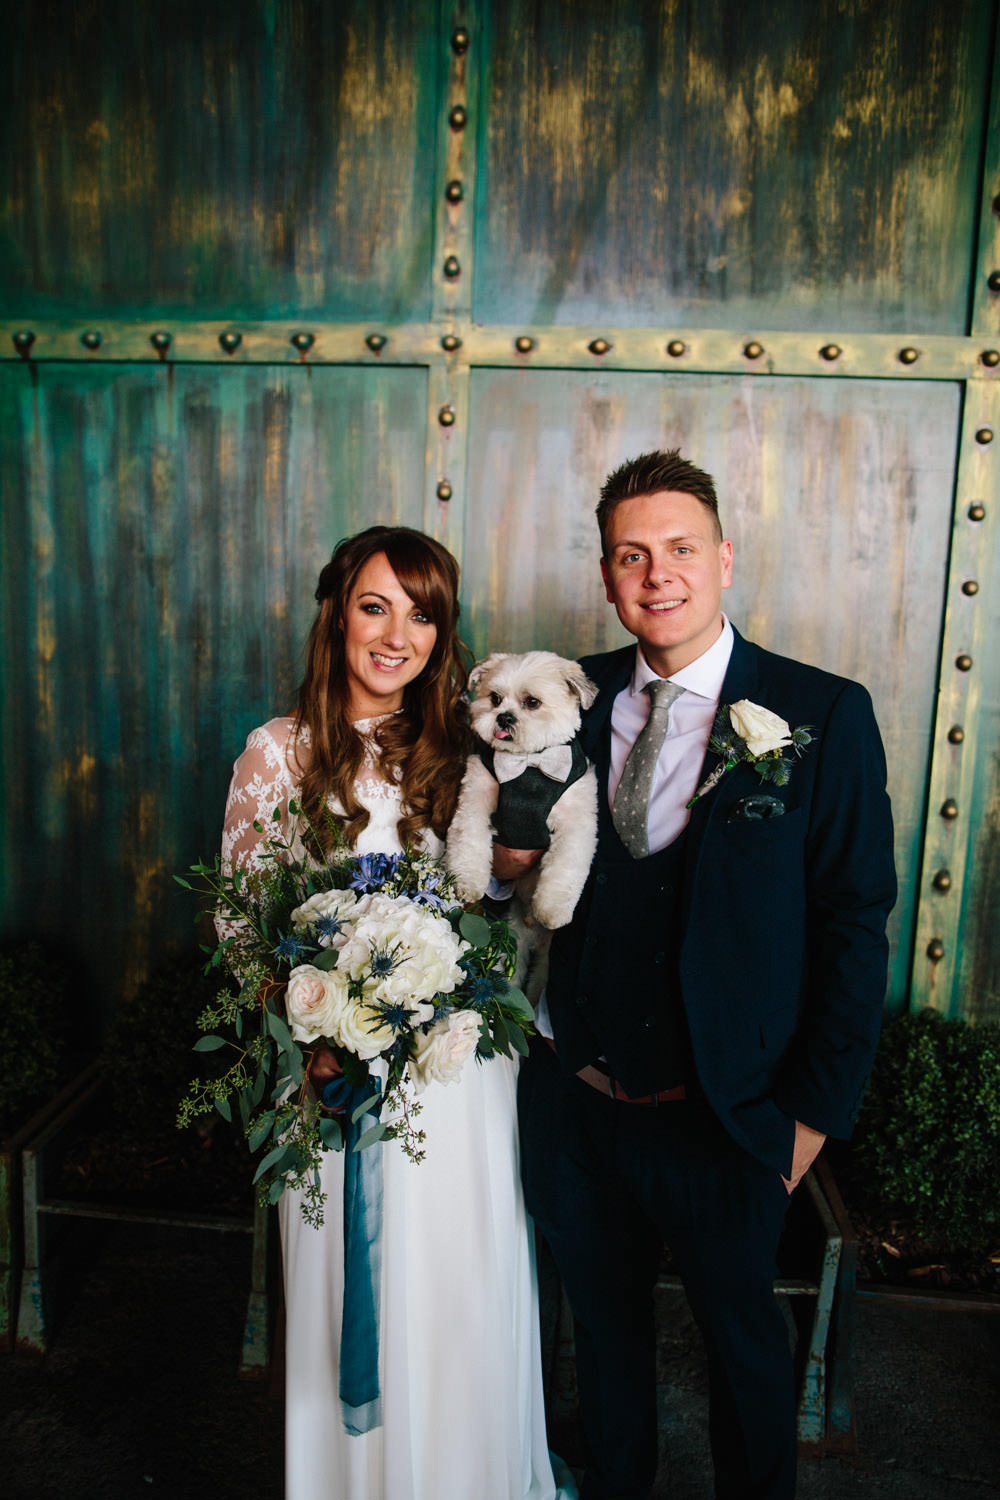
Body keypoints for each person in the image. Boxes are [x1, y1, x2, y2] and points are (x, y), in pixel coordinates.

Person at [514, 452, 897, 1500]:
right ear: (606, 577)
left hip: (729, 1116)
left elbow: (854, 922)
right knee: (604, 1342)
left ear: (722, 559)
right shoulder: (567, 699)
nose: (657, 574)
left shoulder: (820, 714)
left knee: (746, 1355)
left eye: (680, 548)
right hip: (580, 1102)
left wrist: (806, 1120)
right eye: (630, 555)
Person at [219, 526, 570, 1500]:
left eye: (422, 614)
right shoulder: (276, 756)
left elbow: (500, 916)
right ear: (337, 613)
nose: (396, 634)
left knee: (460, 1294)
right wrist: (318, 1035)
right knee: (349, 1297)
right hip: (336, 1083)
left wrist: (512, 875)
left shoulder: (471, 751)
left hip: (461, 1076)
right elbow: (246, 935)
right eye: (375, 606)